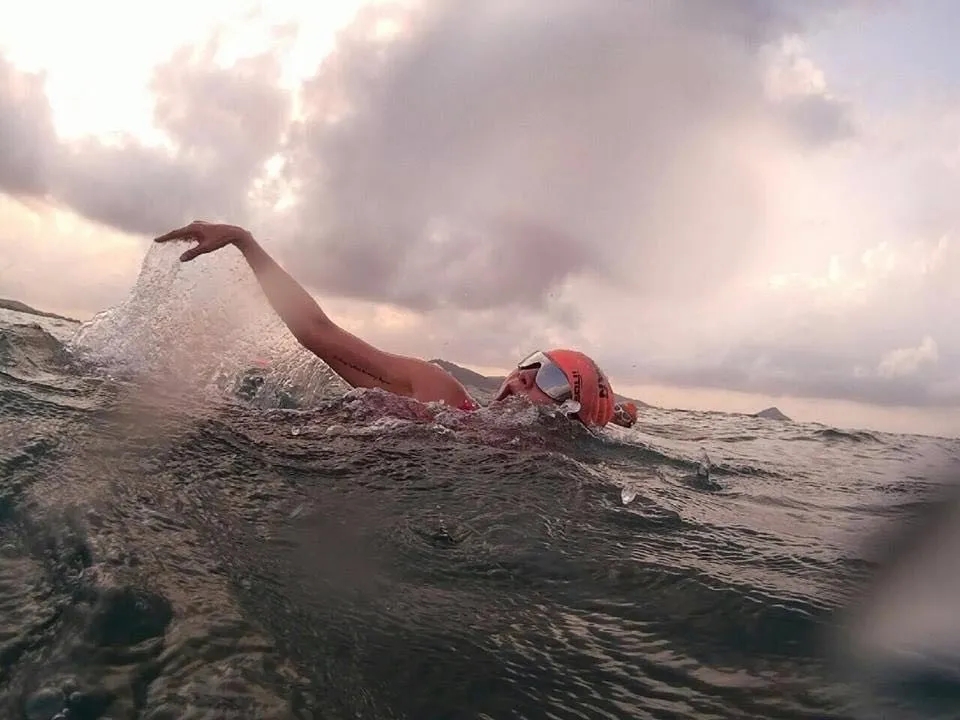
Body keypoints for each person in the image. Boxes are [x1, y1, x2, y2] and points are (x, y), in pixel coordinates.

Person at [154, 221, 638, 429]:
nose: (527, 375)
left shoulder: (555, 471)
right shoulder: (441, 394)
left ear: (569, 416)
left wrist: (613, 414)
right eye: (534, 362)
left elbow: (590, 420)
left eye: (550, 378)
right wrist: (245, 241)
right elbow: (318, 334)